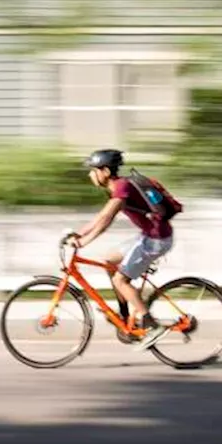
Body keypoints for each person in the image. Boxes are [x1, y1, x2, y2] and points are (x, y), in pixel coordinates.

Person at [67, 148, 175, 350]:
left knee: (120, 280)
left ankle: (151, 325)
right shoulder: (118, 188)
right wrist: (78, 235)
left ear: (105, 171)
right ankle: (125, 316)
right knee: (109, 260)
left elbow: (105, 220)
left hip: (157, 239)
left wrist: (82, 242)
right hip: (149, 236)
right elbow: (100, 217)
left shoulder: (122, 188)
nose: (91, 174)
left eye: (94, 170)